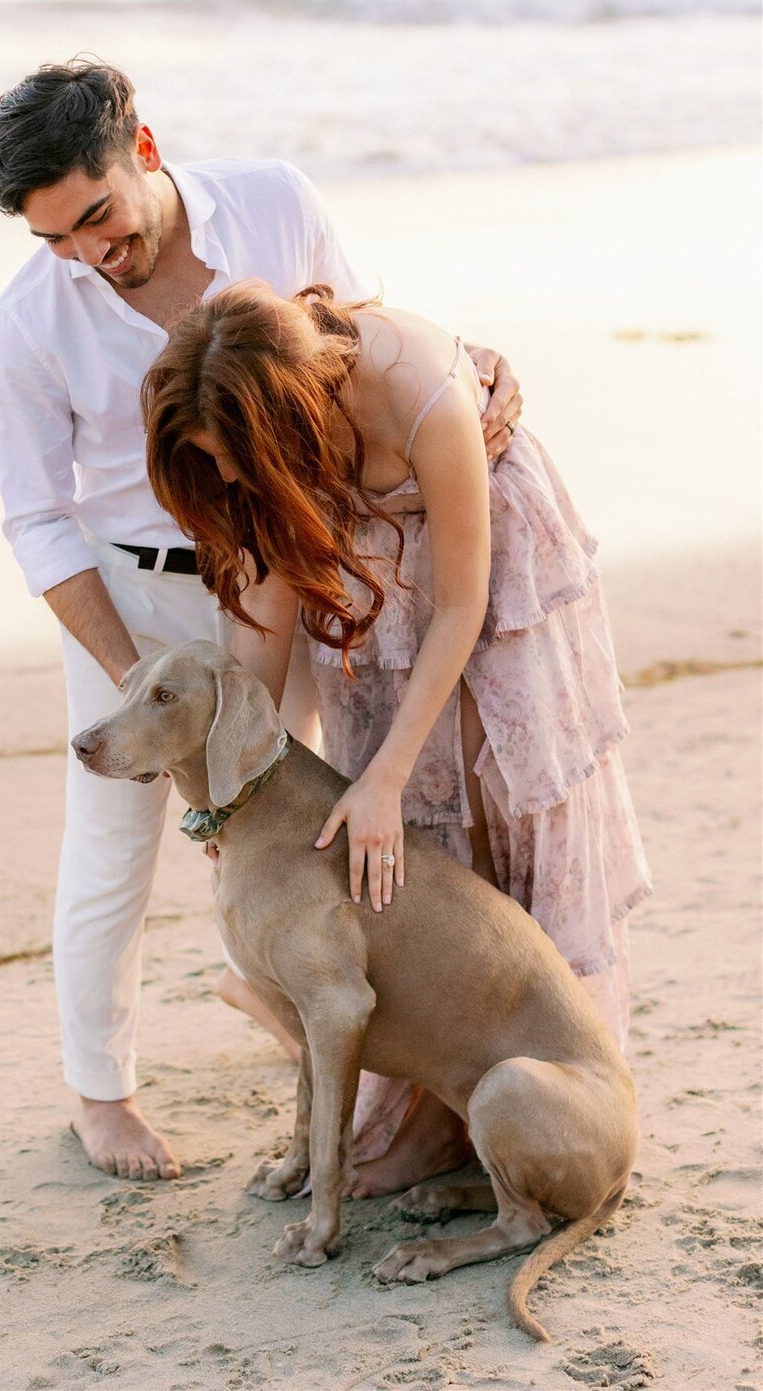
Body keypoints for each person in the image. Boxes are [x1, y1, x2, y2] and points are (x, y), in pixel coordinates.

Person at [0, 58, 522, 1182]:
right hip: (138, 598)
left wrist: (466, 372)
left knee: (300, 810)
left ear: (146, 151)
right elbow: (39, 523)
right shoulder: (24, 329)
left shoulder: (275, 199)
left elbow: (354, 336)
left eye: (97, 217)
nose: (88, 253)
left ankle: (328, 1036)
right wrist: (149, 686)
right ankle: (102, 1091)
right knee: (116, 838)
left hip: (288, 556)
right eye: (56, 240)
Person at [143, 280, 653, 1196]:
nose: (222, 478)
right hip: (380, 578)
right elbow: (256, 642)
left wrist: (379, 779)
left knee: (493, 810)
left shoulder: (416, 388)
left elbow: (461, 606)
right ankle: (434, 1122)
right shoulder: (262, 446)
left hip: (487, 577)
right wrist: (228, 808)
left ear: (284, 421)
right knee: (417, 846)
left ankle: (551, 1108)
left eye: (229, 458)